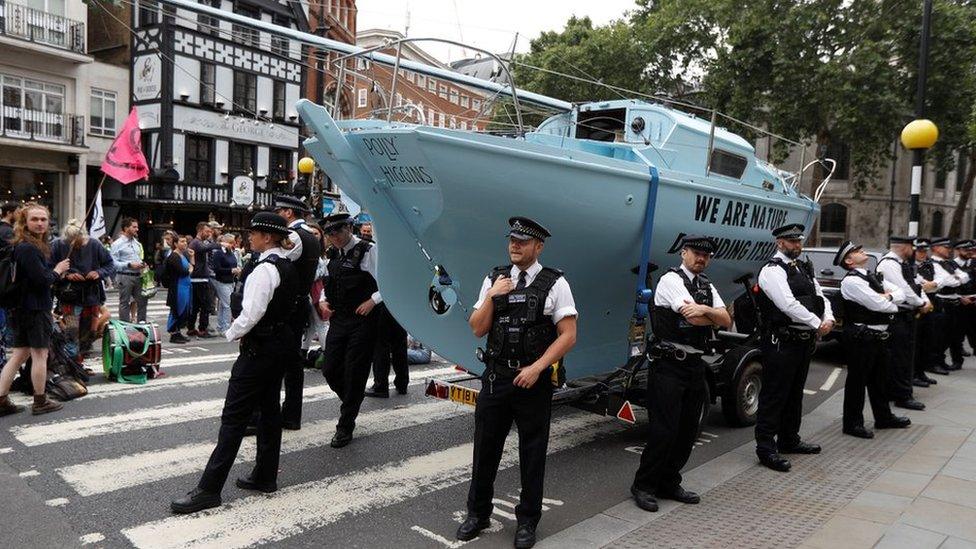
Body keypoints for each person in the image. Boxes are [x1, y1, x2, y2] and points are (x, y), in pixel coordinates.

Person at [457, 217, 577, 549]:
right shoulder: (494, 278)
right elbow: (477, 328)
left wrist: (538, 367)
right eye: (512, 240)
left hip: (532, 381)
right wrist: (493, 296)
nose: (515, 245)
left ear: (538, 247)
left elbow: (568, 336)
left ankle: (527, 521)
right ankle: (477, 513)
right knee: (485, 450)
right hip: (497, 378)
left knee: (533, 453)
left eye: (523, 242)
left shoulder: (555, 284)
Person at [170, 212, 300, 514]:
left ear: (267, 237)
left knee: (233, 418)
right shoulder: (286, 264)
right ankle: (265, 476)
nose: (248, 237)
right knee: (268, 411)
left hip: (259, 348)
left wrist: (231, 334)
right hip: (279, 344)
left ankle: (209, 489)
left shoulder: (265, 270)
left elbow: (251, 313)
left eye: (253, 233)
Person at [631, 235, 730, 513]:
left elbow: (727, 319)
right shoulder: (671, 280)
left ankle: (669, 482)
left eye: (706, 255)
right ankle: (644, 485)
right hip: (669, 365)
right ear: (684, 253)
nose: (701, 259)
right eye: (696, 253)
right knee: (665, 430)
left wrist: (707, 309)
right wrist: (710, 314)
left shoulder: (706, 285)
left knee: (688, 430)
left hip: (695, 364)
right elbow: (694, 318)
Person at [754, 223, 834, 472]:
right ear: (780, 243)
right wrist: (816, 323)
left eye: (799, 241)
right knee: (774, 395)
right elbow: (787, 304)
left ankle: (789, 439)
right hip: (782, 342)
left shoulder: (802, 267)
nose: (797, 246)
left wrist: (828, 317)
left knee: (794, 394)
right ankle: (766, 448)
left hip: (801, 342)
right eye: (792, 242)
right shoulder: (772, 271)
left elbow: (820, 295)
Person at [835, 241, 912, 439]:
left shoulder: (872, 276)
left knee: (880, 380)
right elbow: (879, 304)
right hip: (862, 337)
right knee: (857, 382)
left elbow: (901, 294)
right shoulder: (852, 281)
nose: (863, 251)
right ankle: (852, 424)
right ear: (849, 261)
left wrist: (888, 297)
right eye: (857, 251)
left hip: (878, 336)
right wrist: (889, 299)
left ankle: (883, 417)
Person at [0, 203, 71, 416]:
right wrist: (58, 271)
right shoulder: (28, 248)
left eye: (43, 219)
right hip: (34, 309)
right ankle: (40, 401)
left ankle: (1, 399)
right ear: (24, 222)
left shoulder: (25, 245)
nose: (40, 223)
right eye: (34, 219)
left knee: (19, 354)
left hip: (22, 308)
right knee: (40, 354)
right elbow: (42, 281)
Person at [318, 212, 382, 448]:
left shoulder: (367, 250)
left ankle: (345, 426)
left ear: (349, 228)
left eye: (337, 231)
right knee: (330, 368)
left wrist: (372, 301)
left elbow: (387, 282)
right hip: (339, 318)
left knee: (355, 370)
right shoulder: (333, 253)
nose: (334, 237)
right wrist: (324, 300)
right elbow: (328, 282)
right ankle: (352, 400)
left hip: (362, 321)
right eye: (329, 233)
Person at [271, 195, 321, 430]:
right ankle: (291, 414)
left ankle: (283, 414)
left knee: (283, 361)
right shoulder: (309, 235)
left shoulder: (293, 236)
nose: (277, 214)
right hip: (298, 302)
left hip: (288, 304)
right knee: (292, 362)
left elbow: (274, 264)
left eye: (279, 211)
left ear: (288, 213)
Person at [876, 236, 932, 410]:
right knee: (899, 357)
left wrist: (924, 300)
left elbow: (916, 284)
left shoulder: (902, 263)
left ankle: (900, 391)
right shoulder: (889, 264)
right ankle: (901, 396)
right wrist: (921, 303)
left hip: (907, 314)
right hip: (898, 315)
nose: (914, 251)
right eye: (912, 247)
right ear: (905, 247)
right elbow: (905, 290)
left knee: (905, 355)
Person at [50, 220, 115, 361]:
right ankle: (73, 364)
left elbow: (110, 264)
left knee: (90, 333)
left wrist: (99, 272)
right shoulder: (58, 245)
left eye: (80, 243)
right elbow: (50, 269)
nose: (77, 246)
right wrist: (66, 275)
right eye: (73, 243)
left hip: (91, 297)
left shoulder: (94, 244)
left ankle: (80, 361)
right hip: (70, 298)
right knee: (72, 333)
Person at [930, 237, 968, 371]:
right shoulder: (933, 263)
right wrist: (956, 279)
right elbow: (947, 281)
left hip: (954, 301)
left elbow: (965, 276)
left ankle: (941, 361)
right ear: (935, 248)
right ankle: (935, 362)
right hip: (942, 302)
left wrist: (956, 279)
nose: (949, 250)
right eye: (945, 247)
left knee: (952, 334)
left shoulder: (950, 263)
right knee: (940, 335)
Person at [914, 239, 948, 378]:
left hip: (932, 303)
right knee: (917, 341)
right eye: (920, 251)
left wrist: (933, 284)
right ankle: (914, 373)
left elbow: (944, 279)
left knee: (928, 340)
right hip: (919, 305)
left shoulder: (930, 265)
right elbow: (920, 285)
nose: (923, 254)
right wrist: (933, 285)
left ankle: (921, 371)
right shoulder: (910, 266)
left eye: (924, 251)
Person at [111, 217, 148, 323]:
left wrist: (143, 264)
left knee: (142, 301)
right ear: (126, 228)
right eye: (134, 227)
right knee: (124, 302)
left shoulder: (137, 243)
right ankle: (124, 326)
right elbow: (113, 263)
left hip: (139, 276)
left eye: (137, 227)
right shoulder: (117, 244)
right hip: (125, 276)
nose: (137, 229)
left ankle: (142, 324)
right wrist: (128, 264)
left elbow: (139, 258)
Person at [188, 222, 221, 338]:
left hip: (199, 278)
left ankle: (191, 328)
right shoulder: (196, 243)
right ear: (200, 230)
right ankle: (202, 329)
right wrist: (220, 244)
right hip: (200, 278)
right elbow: (205, 248)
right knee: (206, 305)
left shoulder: (197, 243)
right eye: (207, 231)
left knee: (196, 306)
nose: (209, 234)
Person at [165, 236, 195, 344]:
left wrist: (192, 258)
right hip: (178, 287)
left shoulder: (183, 255)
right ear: (175, 244)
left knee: (184, 309)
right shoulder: (174, 256)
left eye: (185, 241)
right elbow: (183, 271)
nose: (185, 243)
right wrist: (190, 269)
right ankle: (173, 333)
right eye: (182, 241)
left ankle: (178, 332)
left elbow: (190, 268)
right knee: (177, 309)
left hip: (185, 286)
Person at [211, 234, 239, 336]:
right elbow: (217, 269)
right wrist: (231, 270)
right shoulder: (219, 253)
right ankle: (226, 328)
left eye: (233, 242)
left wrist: (235, 270)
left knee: (223, 305)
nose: (232, 245)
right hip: (222, 281)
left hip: (231, 281)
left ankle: (221, 326)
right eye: (230, 242)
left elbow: (234, 264)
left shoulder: (231, 253)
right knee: (228, 305)